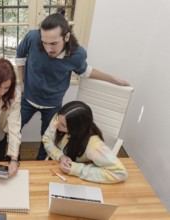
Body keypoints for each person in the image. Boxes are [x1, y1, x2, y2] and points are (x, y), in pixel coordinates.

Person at [16, 6, 130, 160]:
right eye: (44, 43)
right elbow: (20, 56)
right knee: (12, 130)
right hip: (28, 99)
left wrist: (113, 79)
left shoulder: (77, 54)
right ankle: (10, 157)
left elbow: (86, 71)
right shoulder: (32, 37)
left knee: (48, 139)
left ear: (67, 37)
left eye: (54, 43)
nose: (48, 48)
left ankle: (40, 165)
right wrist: (22, 82)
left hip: (52, 104)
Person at [42, 101, 128, 183]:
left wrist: (77, 169)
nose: (56, 124)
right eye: (57, 120)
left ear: (76, 129)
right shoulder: (61, 117)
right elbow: (47, 139)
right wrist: (60, 156)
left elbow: (120, 173)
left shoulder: (94, 146)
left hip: (76, 178)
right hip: (57, 166)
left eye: (63, 125)